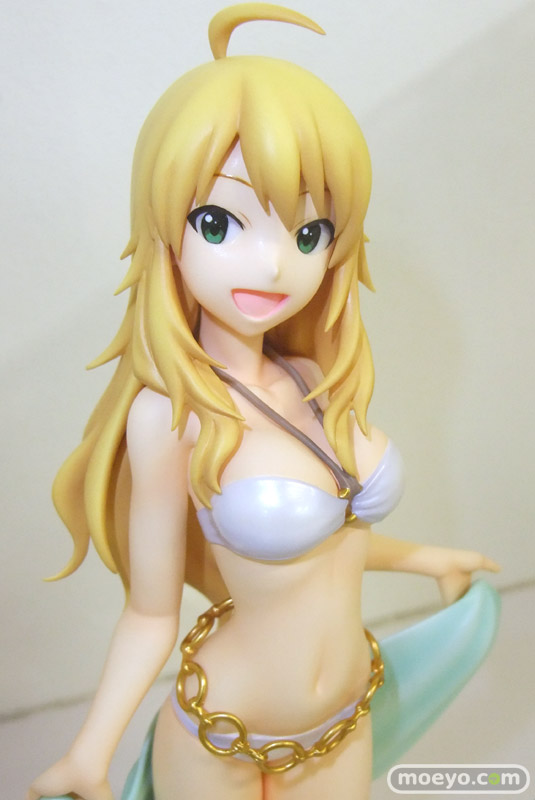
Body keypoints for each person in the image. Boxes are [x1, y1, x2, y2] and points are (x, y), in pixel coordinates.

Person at [27, 6, 499, 800]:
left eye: (308, 234)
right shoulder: (169, 417)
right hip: (222, 735)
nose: (274, 265)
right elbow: (149, 614)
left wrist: (425, 558)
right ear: (165, 230)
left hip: (344, 721)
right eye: (219, 223)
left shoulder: (312, 375)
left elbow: (328, 541)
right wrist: (90, 751)